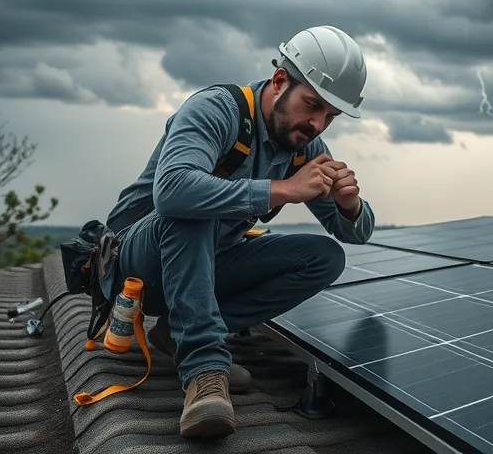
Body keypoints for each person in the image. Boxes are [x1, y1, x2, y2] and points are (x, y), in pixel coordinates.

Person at [102, 25, 374, 439]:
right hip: (136, 266)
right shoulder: (217, 109)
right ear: (280, 81)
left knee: (324, 257)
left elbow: (353, 235)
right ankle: (205, 372)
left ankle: (180, 332)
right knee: (193, 209)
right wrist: (282, 189)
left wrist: (349, 205)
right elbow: (172, 192)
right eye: (312, 105)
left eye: (330, 116)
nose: (318, 123)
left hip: (202, 269)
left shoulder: (303, 144)